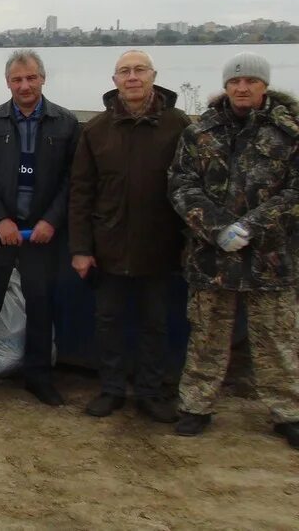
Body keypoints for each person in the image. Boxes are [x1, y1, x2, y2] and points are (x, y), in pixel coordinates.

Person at [168, 52, 299, 447]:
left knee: (277, 338)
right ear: (225, 87)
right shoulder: (200, 132)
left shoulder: (289, 132)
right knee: (207, 334)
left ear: (265, 86)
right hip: (212, 257)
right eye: (235, 82)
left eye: (251, 82)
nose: (242, 88)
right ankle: (196, 406)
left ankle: (288, 412)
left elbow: (295, 191)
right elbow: (180, 184)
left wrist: (251, 226)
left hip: (269, 259)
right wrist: (218, 227)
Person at [69, 50, 191, 423]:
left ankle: (152, 393)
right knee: (109, 322)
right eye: (125, 71)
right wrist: (80, 249)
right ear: (115, 80)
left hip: (160, 246)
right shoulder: (96, 130)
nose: (132, 77)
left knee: (156, 322)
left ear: (153, 76)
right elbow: (80, 192)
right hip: (108, 246)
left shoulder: (178, 125)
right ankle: (112, 389)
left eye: (140, 70)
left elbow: (193, 186)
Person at [0, 49, 79, 406]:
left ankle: (38, 376)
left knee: (42, 304)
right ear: (7, 82)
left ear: (43, 78)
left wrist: (50, 221)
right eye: (17, 79)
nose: (24, 85)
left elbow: (73, 180)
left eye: (31, 78)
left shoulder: (65, 123)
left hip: (43, 232)